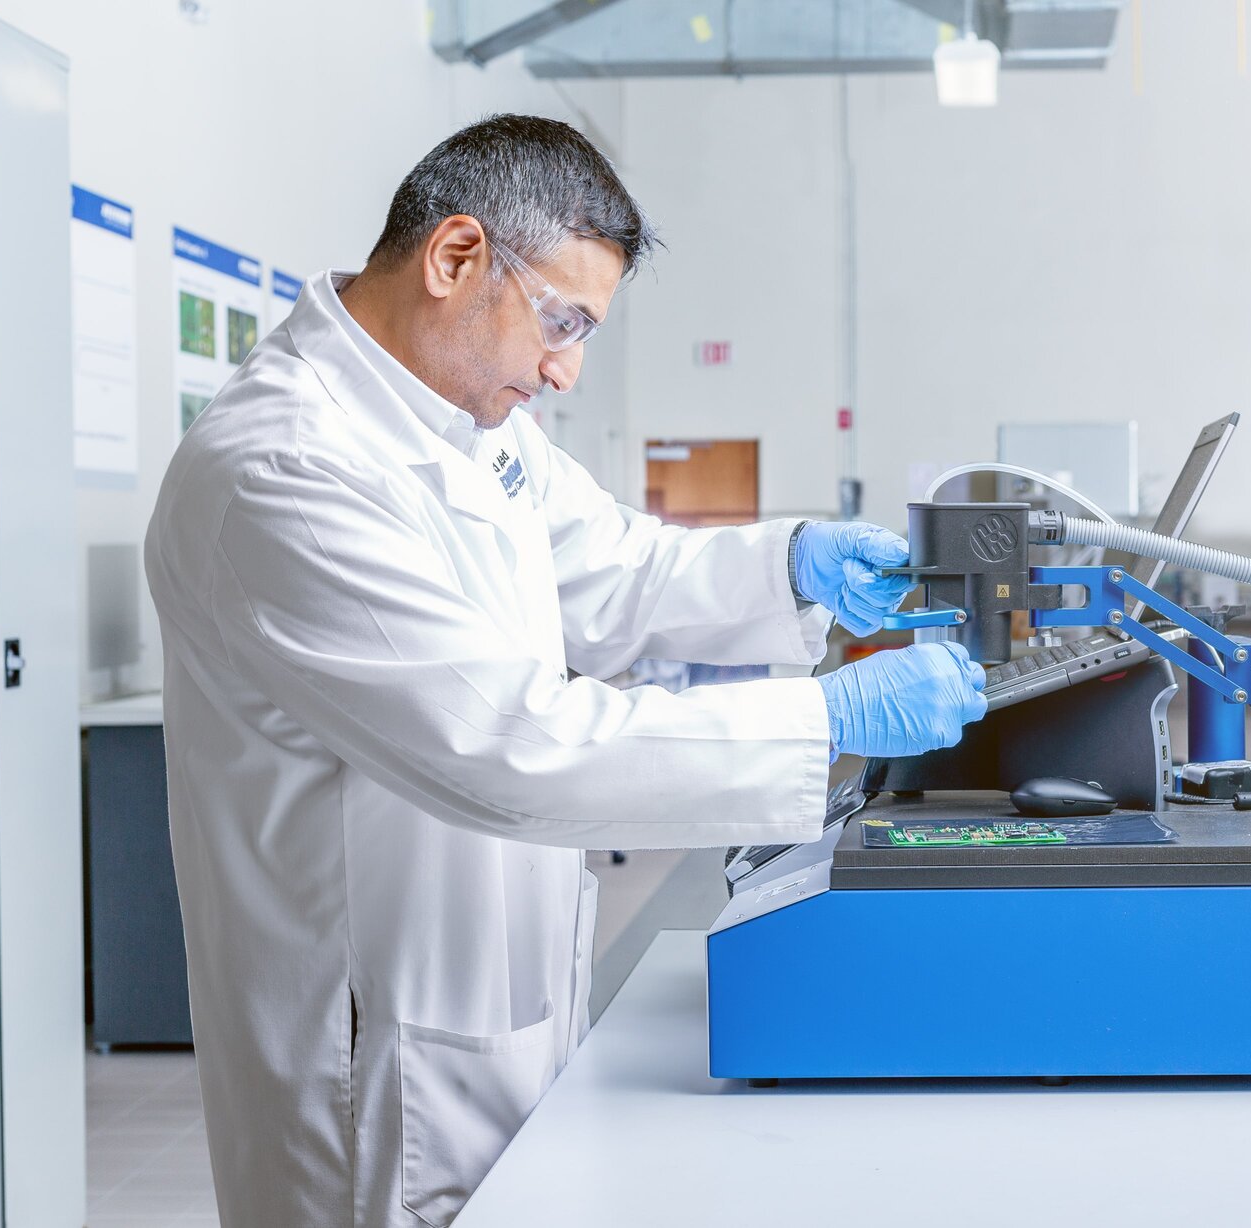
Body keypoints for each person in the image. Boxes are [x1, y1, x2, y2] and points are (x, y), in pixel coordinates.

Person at [144, 114, 987, 1228]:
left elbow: (617, 566)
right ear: (455, 258)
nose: (566, 366)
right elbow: (513, 742)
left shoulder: (464, 425)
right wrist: (823, 717)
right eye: (561, 320)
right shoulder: (280, 469)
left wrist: (791, 567)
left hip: (497, 1002)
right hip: (369, 1064)